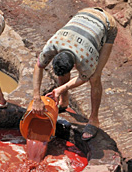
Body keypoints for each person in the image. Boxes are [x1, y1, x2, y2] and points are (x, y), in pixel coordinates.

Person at [31, 7, 117, 141]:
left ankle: (94, 120)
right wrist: (36, 98)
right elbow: (38, 66)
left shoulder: (85, 59)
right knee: (64, 71)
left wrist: (61, 88)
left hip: (106, 24)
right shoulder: (53, 45)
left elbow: (84, 78)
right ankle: (64, 102)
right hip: (84, 14)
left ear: (75, 66)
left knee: (95, 77)